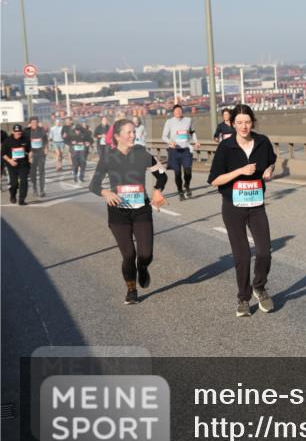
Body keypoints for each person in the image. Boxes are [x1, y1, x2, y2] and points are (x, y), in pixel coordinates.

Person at [207, 104, 278, 317]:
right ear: (233, 124)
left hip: (256, 205)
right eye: (239, 123)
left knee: (265, 251)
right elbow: (214, 180)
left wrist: (268, 170)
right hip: (233, 206)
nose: (244, 126)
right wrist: (239, 171)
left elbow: (272, 161)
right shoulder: (226, 147)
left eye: (247, 122)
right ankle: (243, 298)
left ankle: (259, 286)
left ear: (252, 122)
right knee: (243, 256)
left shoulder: (263, 142)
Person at [89, 119, 168, 304]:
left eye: (134, 132)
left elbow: (162, 174)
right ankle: (131, 289)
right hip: (118, 213)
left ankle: (143, 267)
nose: (134, 135)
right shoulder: (108, 157)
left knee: (145, 254)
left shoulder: (142, 154)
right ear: (117, 136)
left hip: (141, 210)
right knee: (128, 255)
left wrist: (157, 190)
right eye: (129, 133)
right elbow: (94, 184)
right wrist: (105, 192)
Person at [161, 104, 201, 200]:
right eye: (176, 111)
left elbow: (192, 132)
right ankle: (180, 192)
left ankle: (186, 185)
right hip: (174, 150)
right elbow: (164, 136)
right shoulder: (169, 122)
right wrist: (170, 142)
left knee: (188, 171)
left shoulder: (188, 120)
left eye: (180, 110)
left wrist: (196, 142)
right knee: (177, 173)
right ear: (173, 112)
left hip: (186, 149)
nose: (178, 112)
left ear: (182, 111)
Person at [2, 124, 32, 205]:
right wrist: (10, 160)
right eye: (16, 132)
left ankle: (22, 199)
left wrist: (30, 157)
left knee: (24, 181)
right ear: (13, 132)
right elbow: (3, 154)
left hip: (23, 164)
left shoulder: (26, 139)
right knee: (14, 183)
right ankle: (13, 195)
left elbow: (30, 150)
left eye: (19, 132)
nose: (18, 133)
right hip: (12, 165)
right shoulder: (7, 141)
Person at [62, 118, 92, 183]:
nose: (77, 131)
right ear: (74, 130)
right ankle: (75, 176)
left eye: (79, 130)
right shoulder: (71, 134)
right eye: (76, 130)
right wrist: (71, 143)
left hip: (82, 151)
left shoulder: (84, 134)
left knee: (83, 164)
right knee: (75, 164)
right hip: (74, 151)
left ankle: (81, 177)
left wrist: (88, 143)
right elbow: (65, 140)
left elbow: (90, 140)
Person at [27, 116, 48, 197]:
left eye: (35, 122)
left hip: (40, 153)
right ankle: (35, 188)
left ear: (37, 122)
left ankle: (42, 190)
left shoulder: (41, 130)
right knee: (33, 173)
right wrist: (28, 154)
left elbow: (45, 140)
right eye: (32, 122)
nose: (34, 124)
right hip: (32, 154)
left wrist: (46, 147)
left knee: (42, 171)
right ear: (30, 123)